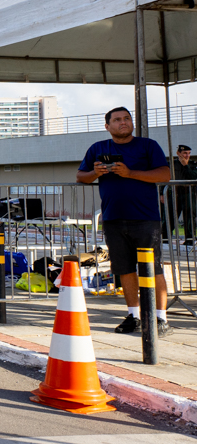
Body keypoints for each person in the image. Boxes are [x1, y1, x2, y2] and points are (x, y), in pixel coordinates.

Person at [77, 107, 172, 337]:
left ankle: (160, 318)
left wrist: (130, 173)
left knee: (153, 267)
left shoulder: (148, 146)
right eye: (117, 120)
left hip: (145, 218)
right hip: (113, 218)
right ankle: (134, 315)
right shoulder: (98, 148)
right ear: (107, 126)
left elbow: (164, 175)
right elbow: (81, 176)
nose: (123, 123)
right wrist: (96, 173)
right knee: (124, 269)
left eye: (127, 119)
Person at [161, 144, 195, 245]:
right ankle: (165, 239)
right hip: (174, 194)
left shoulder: (192, 165)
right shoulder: (171, 164)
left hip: (188, 194)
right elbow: (164, 178)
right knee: (169, 216)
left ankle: (189, 240)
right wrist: (161, 194)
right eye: (184, 153)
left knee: (189, 218)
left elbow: (193, 177)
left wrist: (186, 166)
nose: (187, 155)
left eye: (188, 153)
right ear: (178, 153)